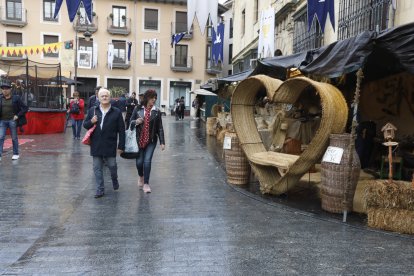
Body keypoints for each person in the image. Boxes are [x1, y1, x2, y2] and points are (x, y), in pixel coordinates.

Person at [83, 88, 125, 198]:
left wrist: (121, 146)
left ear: (110, 97)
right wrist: (91, 121)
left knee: (112, 166)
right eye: (102, 96)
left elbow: (121, 130)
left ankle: (114, 179)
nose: (105, 97)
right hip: (96, 144)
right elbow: (85, 125)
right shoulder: (93, 110)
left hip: (110, 144)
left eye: (106, 95)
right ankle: (100, 189)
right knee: (97, 168)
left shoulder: (116, 112)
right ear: (99, 98)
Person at [130, 89, 165, 193]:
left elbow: (160, 128)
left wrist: (162, 142)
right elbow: (129, 122)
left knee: (147, 161)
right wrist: (136, 122)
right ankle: (141, 175)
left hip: (151, 140)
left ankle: (146, 183)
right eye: (152, 98)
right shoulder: (137, 109)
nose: (154, 100)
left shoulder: (157, 111)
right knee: (139, 162)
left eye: (155, 98)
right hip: (138, 140)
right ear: (146, 98)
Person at [0, 79, 28, 161]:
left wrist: (17, 115)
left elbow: (25, 108)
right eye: (3, 89)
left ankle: (15, 154)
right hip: (2, 121)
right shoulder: (0, 98)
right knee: (1, 137)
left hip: (12, 120)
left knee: (14, 138)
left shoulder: (16, 98)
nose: (4, 90)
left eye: (6, 89)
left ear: (10, 89)